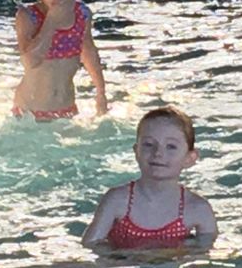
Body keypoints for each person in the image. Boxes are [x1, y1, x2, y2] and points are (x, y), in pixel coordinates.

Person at [82, 106, 218, 250]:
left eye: (171, 146)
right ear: (136, 151)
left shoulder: (198, 209)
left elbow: (205, 257)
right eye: (148, 144)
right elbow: (90, 246)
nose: (158, 153)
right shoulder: (117, 200)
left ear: (190, 158)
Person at [13, 0, 107, 121]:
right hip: (30, 114)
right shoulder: (28, 17)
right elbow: (30, 61)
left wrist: (100, 91)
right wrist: (51, 22)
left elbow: (88, 52)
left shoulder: (82, 15)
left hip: (67, 110)